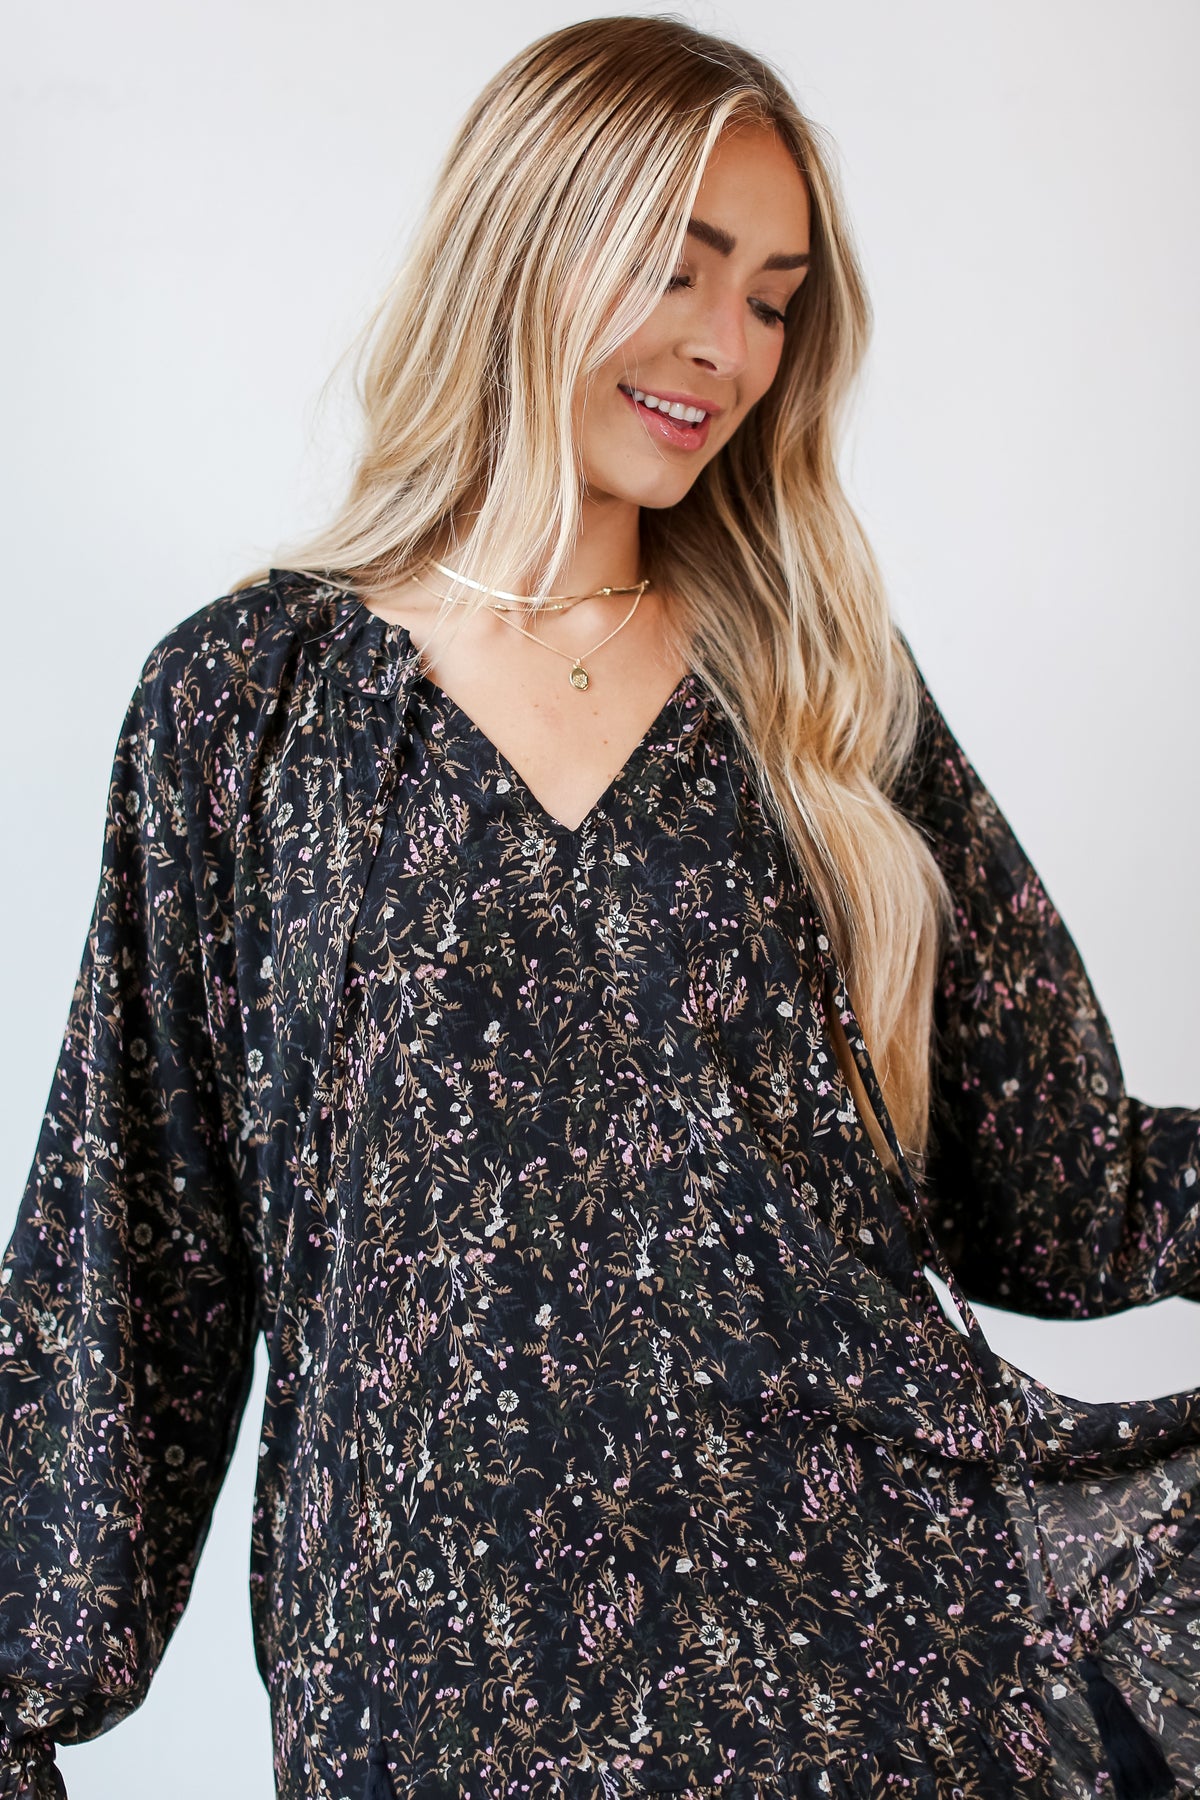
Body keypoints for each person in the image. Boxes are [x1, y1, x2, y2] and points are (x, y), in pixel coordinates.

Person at [1, 15, 1198, 1799]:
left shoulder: (818, 687)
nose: (729, 348)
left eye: (776, 300)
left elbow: (1056, 1179)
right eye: (678, 267)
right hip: (425, 1695)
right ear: (524, 244)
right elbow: (138, 1260)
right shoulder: (248, 705)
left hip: (852, 1676)